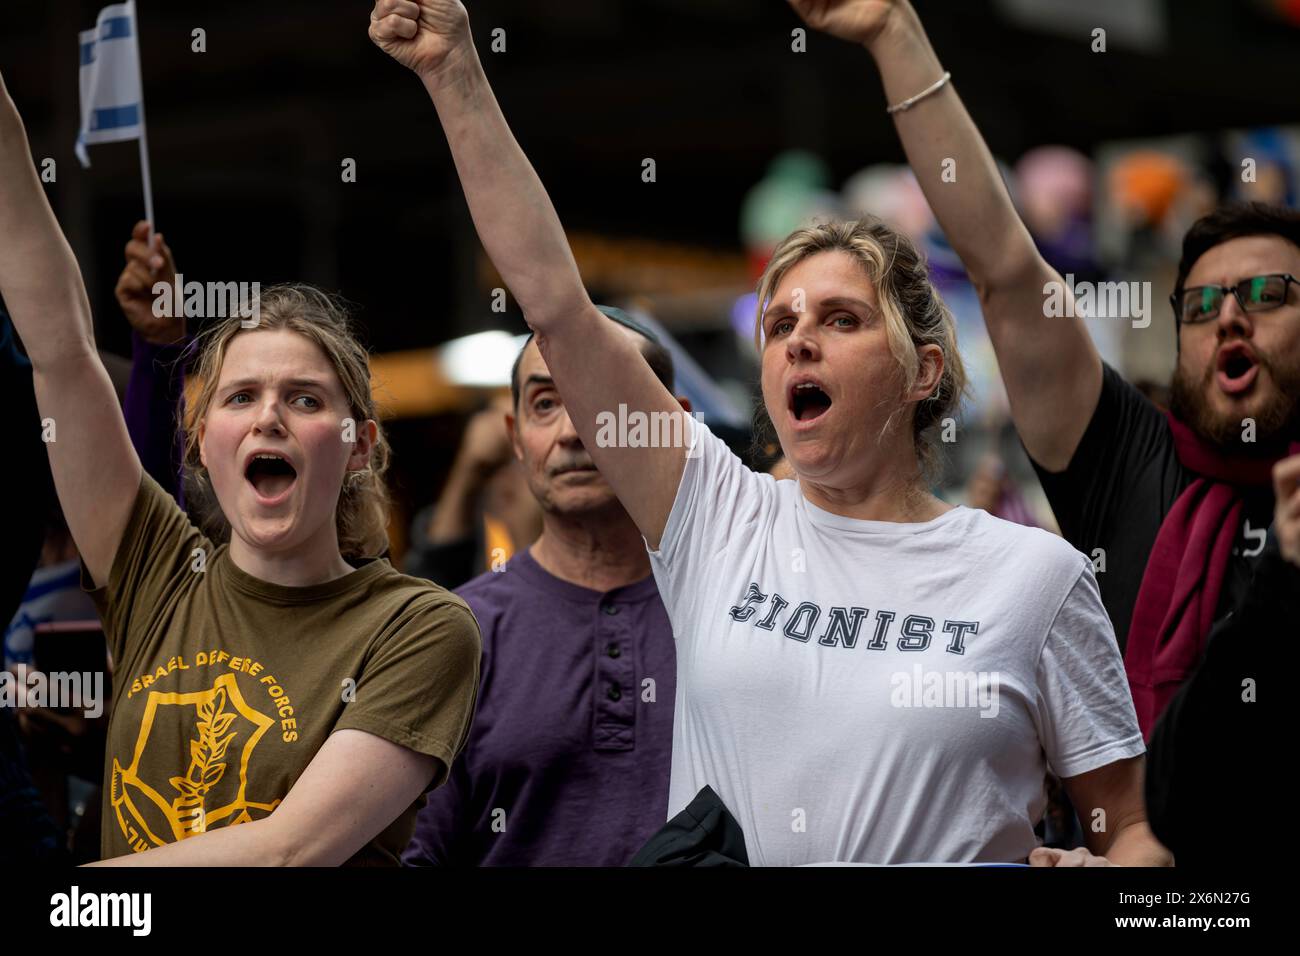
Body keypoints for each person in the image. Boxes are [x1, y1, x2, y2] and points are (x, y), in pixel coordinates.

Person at [369, 0, 1170, 865]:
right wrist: (456, 75)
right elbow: (556, 305)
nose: (799, 340)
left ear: (923, 371)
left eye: (840, 318)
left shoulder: (1034, 579)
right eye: (780, 324)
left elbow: (1130, 831)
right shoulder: (717, 514)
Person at [0, 73, 480, 865]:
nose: (268, 416)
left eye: (303, 398)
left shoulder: (418, 626)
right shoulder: (155, 569)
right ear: (200, 444)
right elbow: (58, 347)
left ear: (357, 445)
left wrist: (77, 901)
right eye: (241, 397)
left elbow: (288, 852)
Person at [812, 0, 1300, 735]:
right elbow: (1007, 273)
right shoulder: (1132, 467)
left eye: (1265, 294)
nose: (1228, 315)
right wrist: (894, 32)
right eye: (1199, 305)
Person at [404, 309, 683, 866]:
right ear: (516, 436)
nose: (572, 431)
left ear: (675, 422)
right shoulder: (458, 633)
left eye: (604, 397)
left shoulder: (745, 613)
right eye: (545, 404)